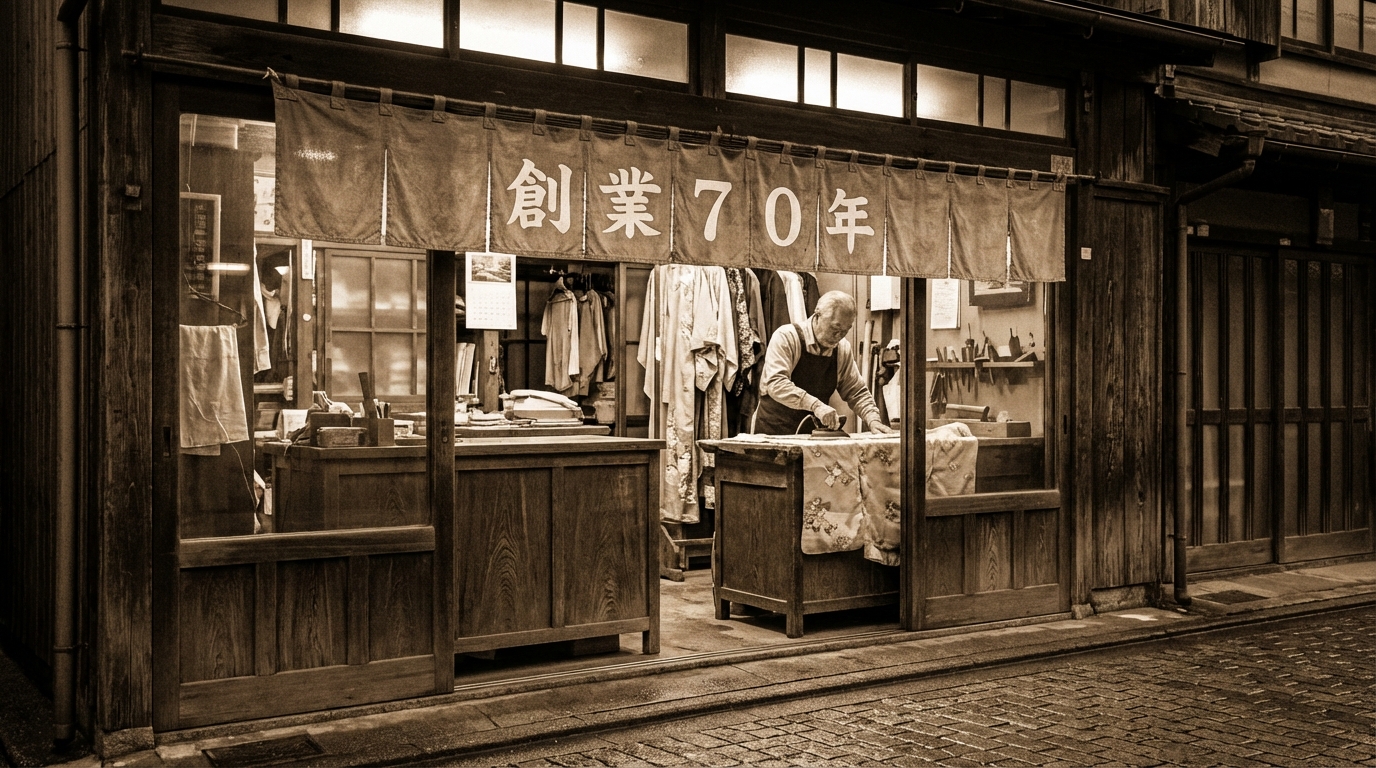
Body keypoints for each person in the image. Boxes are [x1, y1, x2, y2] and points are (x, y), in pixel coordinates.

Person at [754, 290, 893, 435]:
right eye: (835, 328)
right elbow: (776, 383)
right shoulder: (786, 337)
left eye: (845, 331)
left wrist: (873, 420)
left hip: (811, 437)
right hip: (772, 432)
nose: (839, 336)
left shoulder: (842, 348)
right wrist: (816, 405)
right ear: (817, 315)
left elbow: (856, 391)